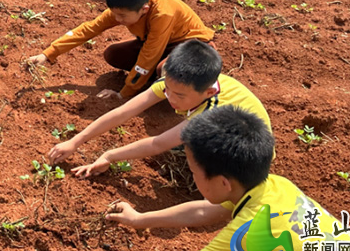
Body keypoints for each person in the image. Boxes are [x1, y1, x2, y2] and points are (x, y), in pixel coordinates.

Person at [79, 107, 350, 251]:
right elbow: (204, 210)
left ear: (223, 182)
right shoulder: (277, 187)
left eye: (194, 171)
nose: (193, 178)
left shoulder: (250, 236)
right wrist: (140, 219)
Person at [46, 41, 270, 177]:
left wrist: (109, 155)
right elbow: (124, 111)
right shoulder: (180, 83)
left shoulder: (212, 112)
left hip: (246, 157)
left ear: (208, 93)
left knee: (190, 150)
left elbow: (159, 143)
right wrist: (76, 140)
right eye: (167, 89)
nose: (170, 97)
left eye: (179, 95)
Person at [27, 0, 213, 101]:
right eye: (114, 13)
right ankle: (149, 80)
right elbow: (88, 29)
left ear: (144, 9)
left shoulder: (163, 13)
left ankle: (171, 86)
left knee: (166, 70)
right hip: (162, 45)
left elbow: (149, 54)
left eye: (122, 16)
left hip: (193, 47)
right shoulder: (123, 8)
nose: (117, 19)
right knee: (114, 54)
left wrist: (124, 94)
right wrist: (48, 53)